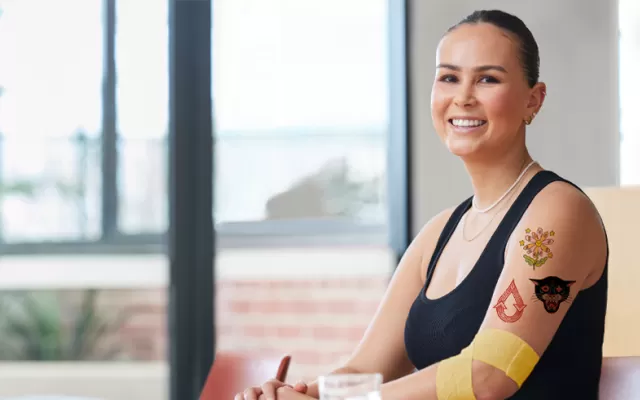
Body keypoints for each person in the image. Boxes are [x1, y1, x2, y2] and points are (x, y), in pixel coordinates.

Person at [235, 9, 608, 400]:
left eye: (487, 79)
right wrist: (298, 394)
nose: (463, 97)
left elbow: (488, 375)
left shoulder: (558, 211)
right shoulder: (438, 234)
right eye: (448, 77)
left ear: (534, 99)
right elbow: (364, 371)